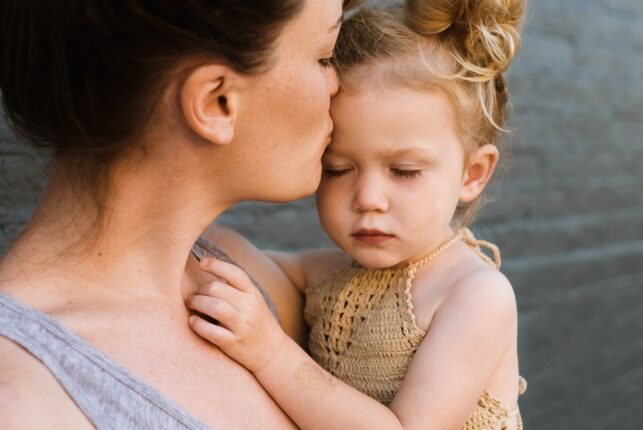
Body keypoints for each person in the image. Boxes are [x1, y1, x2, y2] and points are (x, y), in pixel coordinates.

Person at [0, 0, 358, 428]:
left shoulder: (236, 272)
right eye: (324, 57)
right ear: (216, 101)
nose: (338, 84)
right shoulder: (23, 398)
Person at [186, 1, 528, 429]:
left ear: (472, 174)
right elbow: (240, 256)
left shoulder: (474, 295)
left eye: (403, 172)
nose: (368, 198)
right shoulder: (330, 275)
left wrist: (271, 352)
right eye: (338, 169)